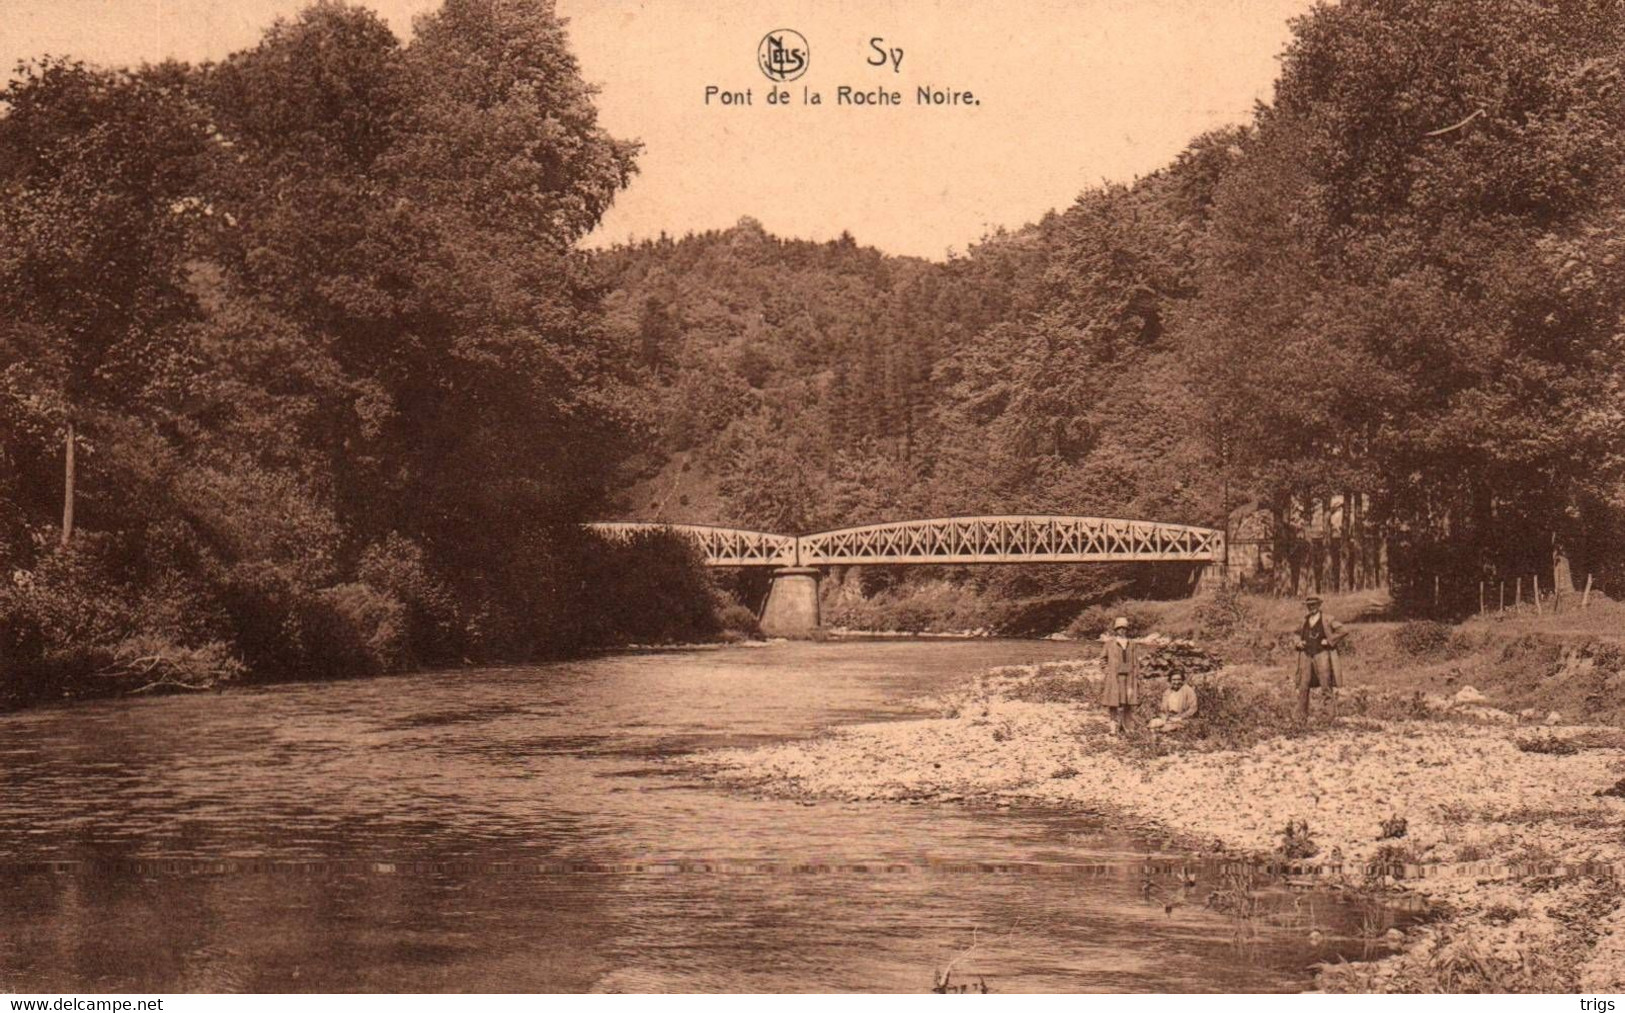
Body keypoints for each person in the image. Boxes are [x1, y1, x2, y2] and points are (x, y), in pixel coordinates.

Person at [1294, 594, 1347, 720]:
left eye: (1314, 604)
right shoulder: (1304, 620)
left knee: (1325, 685)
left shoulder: (1328, 619)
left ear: (1319, 605)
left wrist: (1329, 641)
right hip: (1306, 655)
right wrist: (1298, 642)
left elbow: (1343, 630)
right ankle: (1301, 717)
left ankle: (1328, 717)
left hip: (1322, 654)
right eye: (1309, 605)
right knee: (1303, 685)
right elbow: (1296, 634)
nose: (1311, 607)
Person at [1100, 616, 1141, 734]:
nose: (1122, 630)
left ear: (1127, 629)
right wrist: (1107, 671)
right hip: (1114, 677)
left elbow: (1136, 661)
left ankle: (1126, 726)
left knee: (1128, 702)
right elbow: (1103, 659)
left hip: (1129, 678)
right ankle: (1113, 727)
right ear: (1116, 629)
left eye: (1124, 628)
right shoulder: (1109, 644)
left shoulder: (1132, 644)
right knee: (1113, 703)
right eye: (1119, 628)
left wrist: (1137, 675)